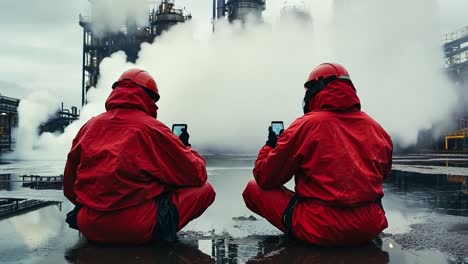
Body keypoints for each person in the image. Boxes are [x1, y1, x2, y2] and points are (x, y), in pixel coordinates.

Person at [242, 63, 393, 246]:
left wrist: (269, 146)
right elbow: (382, 175)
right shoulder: (377, 129)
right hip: (369, 225)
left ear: (316, 89)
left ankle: (303, 237)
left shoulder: (305, 126)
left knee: (253, 188)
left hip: (321, 228)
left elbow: (265, 177)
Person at [63, 69, 215, 245]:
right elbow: (196, 174)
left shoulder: (89, 126)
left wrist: (95, 205)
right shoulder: (153, 129)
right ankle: (158, 238)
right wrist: (185, 148)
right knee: (205, 189)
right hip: (135, 228)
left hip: (89, 225)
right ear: (149, 97)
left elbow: (69, 185)